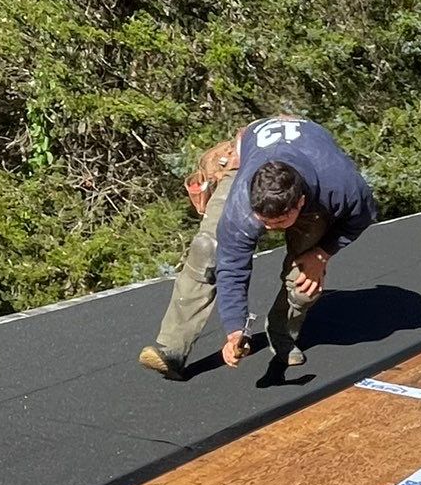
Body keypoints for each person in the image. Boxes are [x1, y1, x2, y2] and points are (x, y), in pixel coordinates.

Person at [139, 115, 378, 378]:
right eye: (263, 221)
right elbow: (232, 266)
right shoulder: (242, 201)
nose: (269, 228)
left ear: (299, 203)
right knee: (208, 250)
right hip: (251, 156)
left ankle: (283, 333)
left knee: (304, 281)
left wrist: (322, 254)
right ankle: (172, 347)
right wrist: (235, 330)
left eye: (279, 222)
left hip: (313, 167)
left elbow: (363, 217)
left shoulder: (341, 186)